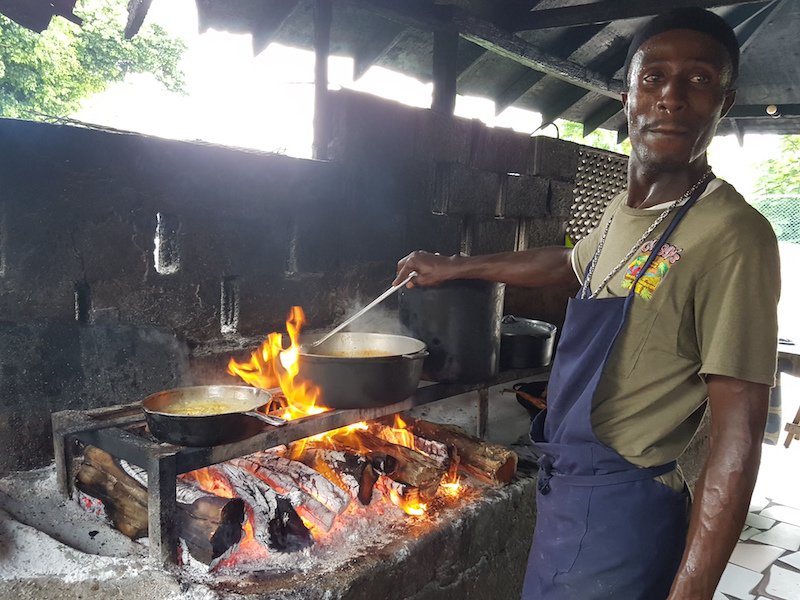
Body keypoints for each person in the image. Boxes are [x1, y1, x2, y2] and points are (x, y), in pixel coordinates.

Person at [394, 8, 780, 600]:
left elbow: (740, 428)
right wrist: (452, 267)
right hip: (565, 488)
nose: (670, 98)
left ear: (723, 102)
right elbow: (568, 265)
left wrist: (695, 587)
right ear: (627, 96)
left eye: (697, 80)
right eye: (654, 78)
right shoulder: (623, 213)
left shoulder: (733, 234)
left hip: (627, 506)